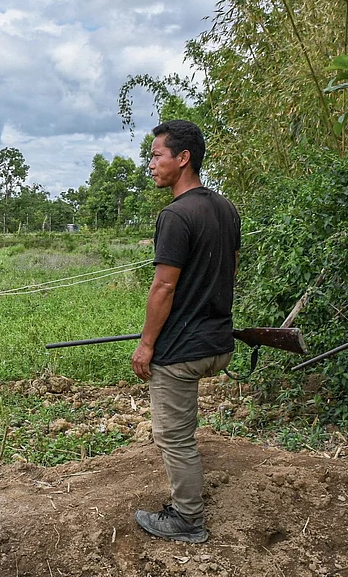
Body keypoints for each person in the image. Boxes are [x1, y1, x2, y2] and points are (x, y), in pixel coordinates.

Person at [131, 120, 240, 544]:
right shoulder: (225, 208)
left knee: (172, 436)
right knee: (182, 430)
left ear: (183, 158)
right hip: (218, 344)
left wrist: (146, 344)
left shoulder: (176, 215)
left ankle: (187, 519)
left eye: (157, 155)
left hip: (180, 352)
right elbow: (227, 270)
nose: (152, 164)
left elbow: (164, 285)